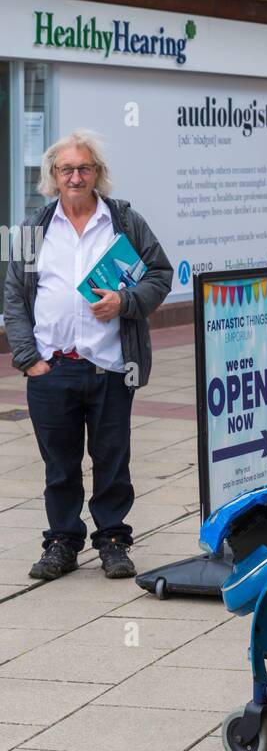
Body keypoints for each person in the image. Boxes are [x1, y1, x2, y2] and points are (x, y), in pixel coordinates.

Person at [3, 130, 172, 580]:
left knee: (112, 459)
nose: (75, 176)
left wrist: (126, 302)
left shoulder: (124, 223)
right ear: (53, 178)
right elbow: (14, 298)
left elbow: (159, 274)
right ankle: (62, 542)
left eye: (84, 168)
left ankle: (113, 540)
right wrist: (28, 359)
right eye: (66, 170)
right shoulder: (33, 229)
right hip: (51, 368)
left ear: (97, 173)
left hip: (112, 365)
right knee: (59, 464)